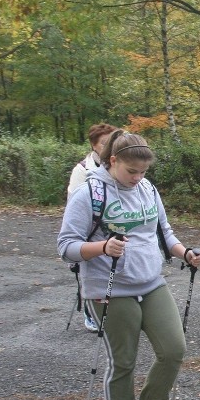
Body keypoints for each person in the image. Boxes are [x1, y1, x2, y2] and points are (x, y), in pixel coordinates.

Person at [57, 130, 200, 400]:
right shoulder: (89, 194)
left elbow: (163, 232)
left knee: (173, 348)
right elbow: (66, 246)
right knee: (123, 361)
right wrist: (102, 247)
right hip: (108, 289)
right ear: (113, 161)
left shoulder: (148, 189)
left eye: (143, 172)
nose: (137, 178)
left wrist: (185, 253)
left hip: (151, 283)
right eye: (131, 171)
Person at [67, 123, 118, 332]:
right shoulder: (83, 169)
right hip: (90, 228)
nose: (108, 147)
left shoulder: (118, 165)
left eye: (111, 142)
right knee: (91, 270)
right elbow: (74, 202)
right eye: (103, 143)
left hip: (113, 225)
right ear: (94, 145)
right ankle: (90, 312)